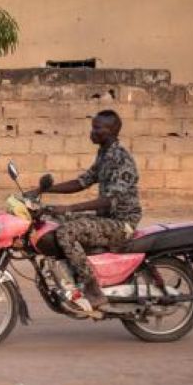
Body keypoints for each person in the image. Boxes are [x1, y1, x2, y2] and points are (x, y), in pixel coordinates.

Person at [36, 109, 142, 314]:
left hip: (122, 223)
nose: (92, 132)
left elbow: (107, 200)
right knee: (52, 217)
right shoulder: (104, 153)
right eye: (92, 127)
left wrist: (70, 208)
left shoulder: (121, 159)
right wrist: (44, 190)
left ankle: (92, 289)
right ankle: (68, 276)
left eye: (97, 128)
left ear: (111, 131)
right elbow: (82, 181)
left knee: (65, 232)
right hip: (107, 218)